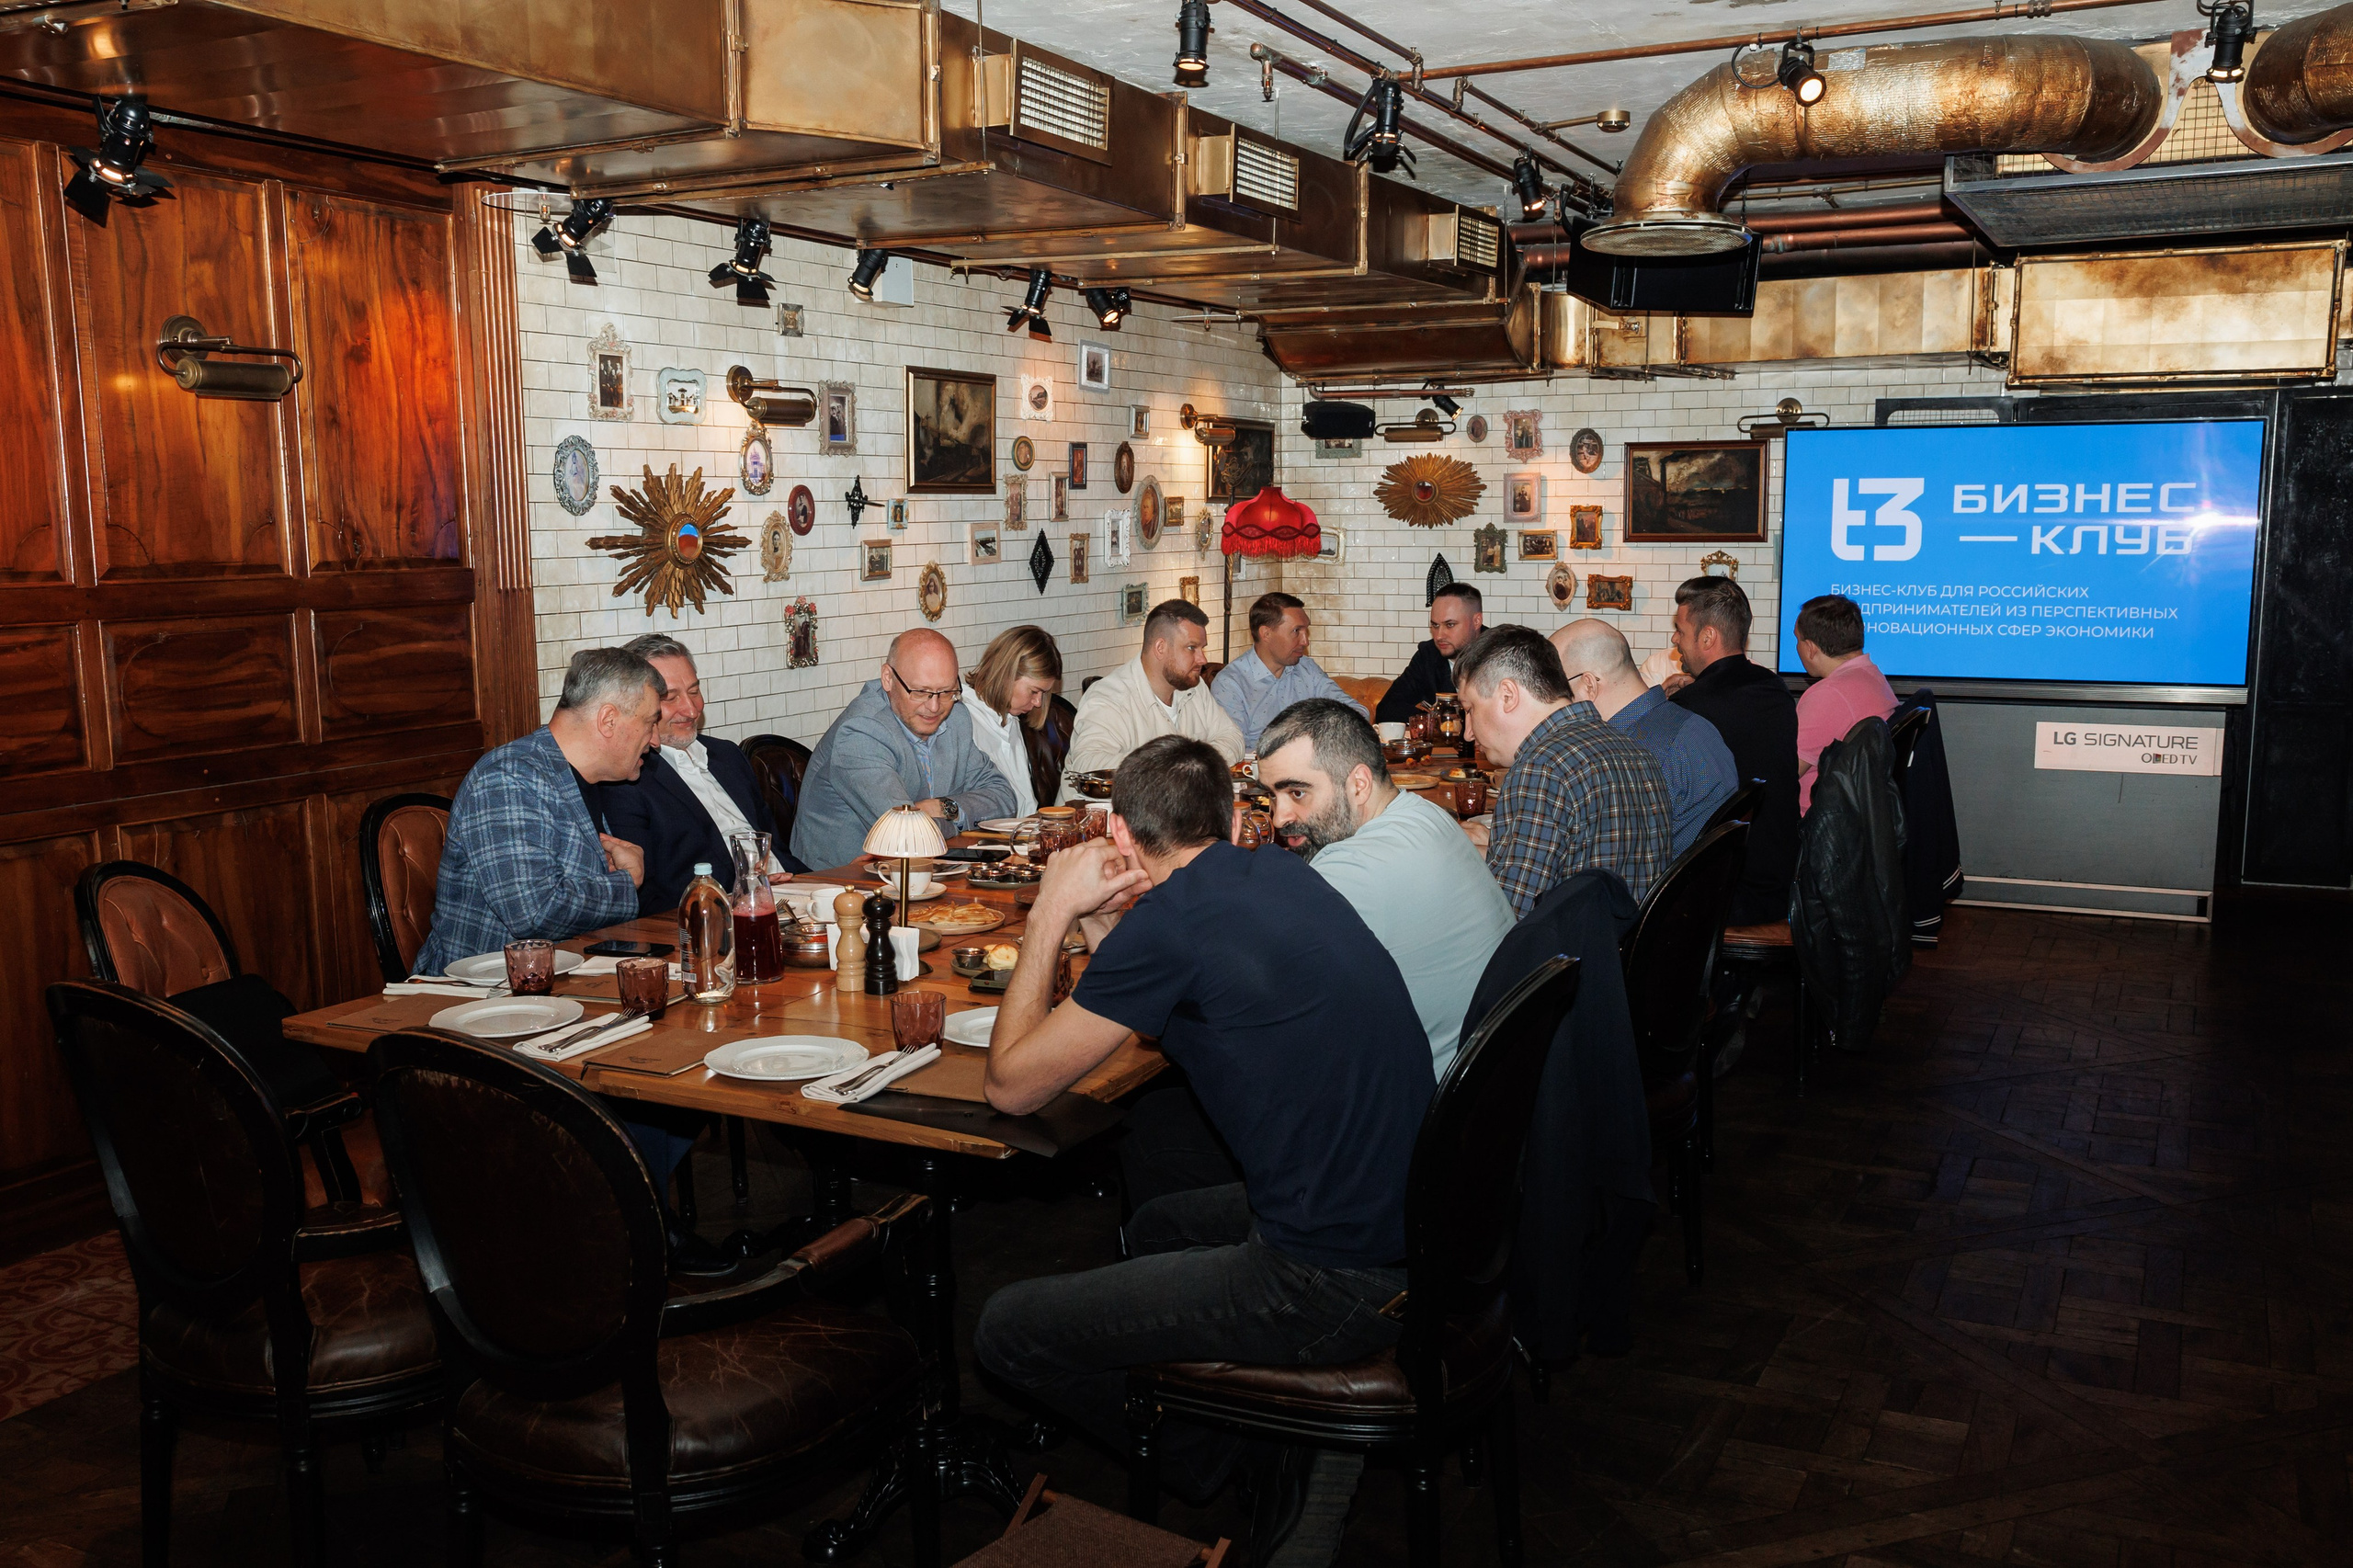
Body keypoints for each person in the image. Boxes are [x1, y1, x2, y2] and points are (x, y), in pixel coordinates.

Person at [972, 735, 1432, 1567]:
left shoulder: (1176, 926)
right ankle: (1259, 1424)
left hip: (1331, 1271)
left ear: (1119, 834)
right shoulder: (1277, 874)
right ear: (1226, 815)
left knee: (1008, 1328)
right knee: (1157, 1227)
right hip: (1415, 1212)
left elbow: (1010, 1087)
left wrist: (1050, 912)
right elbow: (1180, 987)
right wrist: (1113, 925)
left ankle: (1216, 1450)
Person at [1260, 699, 1515, 1080]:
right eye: (1271, 795)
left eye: (1297, 793)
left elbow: (1254, 990)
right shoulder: (1425, 814)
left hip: (1424, 1098)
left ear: (1358, 785)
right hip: (1486, 1078)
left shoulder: (1351, 868)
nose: (1279, 818)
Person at [415, 647, 659, 975]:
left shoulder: (578, 777)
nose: (655, 740)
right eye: (650, 722)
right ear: (608, 720)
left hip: (559, 979)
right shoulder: (508, 778)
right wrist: (627, 881)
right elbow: (535, 911)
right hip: (483, 993)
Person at [1454, 625, 1674, 915]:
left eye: (1469, 709)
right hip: (1623, 954)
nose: (1468, 733)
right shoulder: (1637, 752)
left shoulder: (1541, 768)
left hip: (1562, 957)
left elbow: (1508, 918)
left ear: (1507, 695)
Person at [601, 633, 802, 917]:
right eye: (670, 698)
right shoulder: (628, 778)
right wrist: (745, 893)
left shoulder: (728, 756)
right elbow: (647, 895)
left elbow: (778, 850)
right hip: (717, 920)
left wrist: (827, 882)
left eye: (694, 691)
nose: (692, 709)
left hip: (794, 900)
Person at [789, 629, 1019, 870]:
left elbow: (1004, 797)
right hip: (842, 887)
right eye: (920, 692)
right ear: (888, 678)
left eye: (947, 692)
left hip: (923, 873)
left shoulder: (956, 717)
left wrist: (941, 808)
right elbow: (907, 835)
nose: (934, 707)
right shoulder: (861, 732)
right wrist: (961, 819)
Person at [1664, 575, 1799, 925]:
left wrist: (1665, 704)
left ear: (1707, 636)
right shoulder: (1774, 687)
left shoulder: (1687, 709)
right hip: (1783, 876)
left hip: (1729, 890)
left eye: (1679, 629)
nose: (1675, 640)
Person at [1551, 619, 1737, 858]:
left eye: (1557, 689)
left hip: (1653, 890)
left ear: (1589, 685)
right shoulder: (1695, 725)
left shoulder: (1627, 754)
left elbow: (1600, 861)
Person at [1063, 599, 1244, 792]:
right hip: (1099, 817)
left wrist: (1193, 762)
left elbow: (1232, 737)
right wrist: (1170, 764)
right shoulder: (1109, 697)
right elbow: (1089, 764)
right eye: (1192, 648)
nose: (1203, 659)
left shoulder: (1194, 687)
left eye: (1202, 648)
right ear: (1160, 648)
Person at [1211, 592, 1368, 752]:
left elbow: (1357, 712)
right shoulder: (1230, 684)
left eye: (1306, 631)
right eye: (1296, 631)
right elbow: (1232, 749)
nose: (1305, 641)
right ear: (1266, 633)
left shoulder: (1307, 668)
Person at [1792, 594, 1899, 813]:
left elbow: (1787, 772)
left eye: (1797, 640)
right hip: (1857, 815)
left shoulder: (1828, 694)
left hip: (1816, 823)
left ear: (1811, 648)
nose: (1797, 648)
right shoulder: (1873, 676)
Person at [960, 625, 1063, 821]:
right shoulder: (964, 720)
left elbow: (1026, 805)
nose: (1038, 702)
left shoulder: (1010, 719)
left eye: (1044, 693)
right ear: (1007, 675)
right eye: (1034, 691)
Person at [1373, 583, 1483, 724]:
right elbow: (1387, 710)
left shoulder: (1499, 653)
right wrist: (1436, 721)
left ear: (1476, 621)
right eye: (1435, 625)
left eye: (1450, 625)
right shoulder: (1429, 655)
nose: (1439, 636)